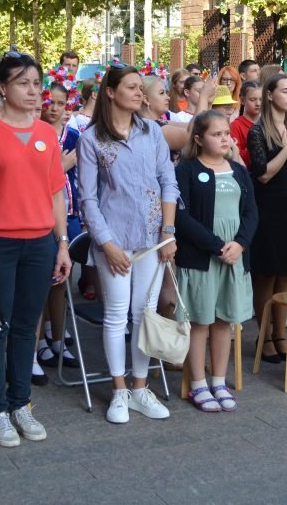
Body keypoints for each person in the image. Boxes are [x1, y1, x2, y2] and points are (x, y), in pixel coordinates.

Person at [0, 52, 72, 447]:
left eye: (36, 84)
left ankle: (20, 403)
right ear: (1, 88)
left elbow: (56, 191)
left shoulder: (46, 133)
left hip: (40, 243)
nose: (33, 92)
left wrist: (62, 244)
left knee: (27, 327)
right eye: (23, 84)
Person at [77, 65, 179, 425]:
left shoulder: (152, 131)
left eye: (141, 88)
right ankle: (119, 390)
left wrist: (168, 231)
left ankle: (140, 387)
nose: (140, 93)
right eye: (133, 87)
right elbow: (87, 199)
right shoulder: (91, 140)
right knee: (117, 314)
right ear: (111, 92)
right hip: (115, 241)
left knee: (144, 313)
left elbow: (168, 180)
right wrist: (107, 245)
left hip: (153, 239)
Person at [174, 111, 258, 412]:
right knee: (200, 320)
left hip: (234, 254)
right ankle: (198, 383)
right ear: (198, 139)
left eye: (227, 133)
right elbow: (181, 215)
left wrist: (240, 243)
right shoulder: (185, 169)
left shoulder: (237, 169)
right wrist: (215, 245)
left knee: (223, 320)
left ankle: (219, 380)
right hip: (202, 255)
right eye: (217, 134)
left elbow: (251, 212)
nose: (225, 138)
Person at [248, 73, 287, 363]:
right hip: (268, 208)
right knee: (266, 276)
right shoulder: (258, 132)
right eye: (285, 91)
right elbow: (263, 174)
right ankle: (264, 335)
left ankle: (281, 333)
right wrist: (286, 148)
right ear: (269, 95)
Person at [34, 82, 80, 379]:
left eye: (60, 103)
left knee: (61, 281)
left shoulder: (74, 136)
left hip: (69, 214)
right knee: (38, 283)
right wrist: (59, 167)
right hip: (39, 215)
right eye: (49, 101)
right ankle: (36, 343)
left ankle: (57, 336)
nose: (54, 107)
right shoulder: (32, 132)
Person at [231, 80, 261, 167]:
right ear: (243, 100)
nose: (258, 103)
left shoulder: (268, 123)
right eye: (253, 99)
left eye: (261, 99)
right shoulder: (236, 126)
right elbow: (237, 156)